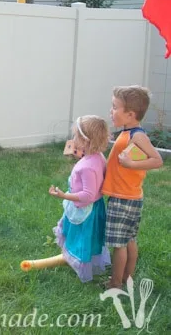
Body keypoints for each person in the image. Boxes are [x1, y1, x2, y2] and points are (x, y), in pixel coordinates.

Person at [101, 85, 163, 289]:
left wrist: (131, 164)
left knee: (119, 244)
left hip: (123, 199)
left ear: (130, 114)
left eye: (114, 107)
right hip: (129, 197)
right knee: (129, 240)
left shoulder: (137, 135)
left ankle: (116, 283)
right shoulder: (127, 133)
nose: (111, 111)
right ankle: (127, 277)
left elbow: (157, 160)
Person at [48, 115, 111, 283]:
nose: (73, 139)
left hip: (85, 210)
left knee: (81, 238)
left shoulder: (87, 167)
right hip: (92, 207)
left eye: (76, 136)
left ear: (86, 140)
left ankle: (82, 266)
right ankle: (78, 260)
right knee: (85, 238)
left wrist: (63, 195)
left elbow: (88, 195)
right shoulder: (97, 156)